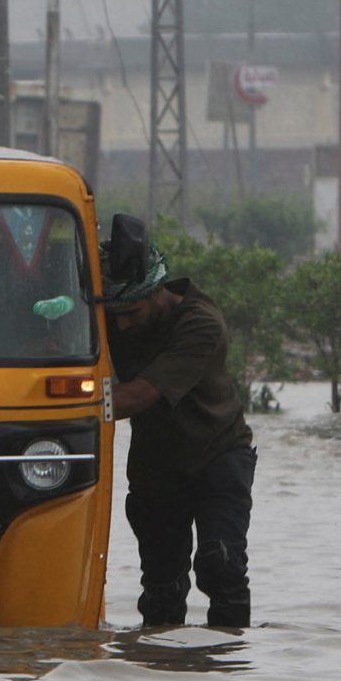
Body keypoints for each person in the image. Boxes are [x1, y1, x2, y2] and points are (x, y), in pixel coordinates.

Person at [102, 245, 255, 630]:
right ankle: (161, 672)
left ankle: (229, 662)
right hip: (156, 465)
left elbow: (139, 395)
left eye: (130, 315)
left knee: (221, 566)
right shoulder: (112, 317)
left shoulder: (201, 323)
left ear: (157, 292)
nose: (121, 327)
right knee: (161, 587)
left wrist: (58, 404)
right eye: (114, 317)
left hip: (217, 454)